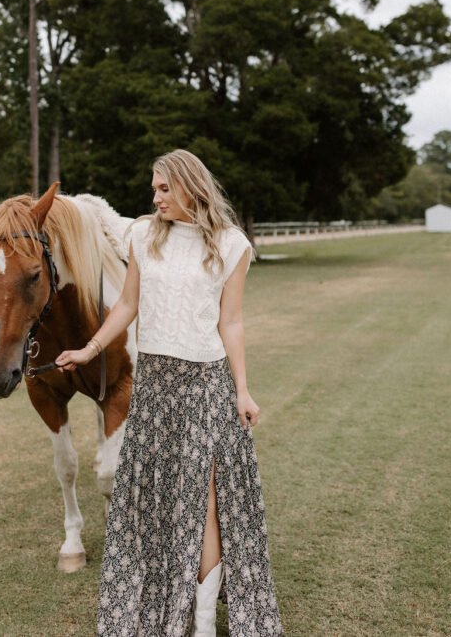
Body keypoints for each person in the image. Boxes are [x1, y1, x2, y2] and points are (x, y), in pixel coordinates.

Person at [56, 149, 283, 637]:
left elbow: (233, 321)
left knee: (203, 502)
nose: (154, 196)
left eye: (163, 188)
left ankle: (201, 622)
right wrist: (90, 347)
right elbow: (128, 303)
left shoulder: (231, 244)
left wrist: (242, 390)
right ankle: (164, 601)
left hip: (206, 386)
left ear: (190, 187)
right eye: (153, 188)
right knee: (155, 500)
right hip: (155, 386)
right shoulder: (143, 236)